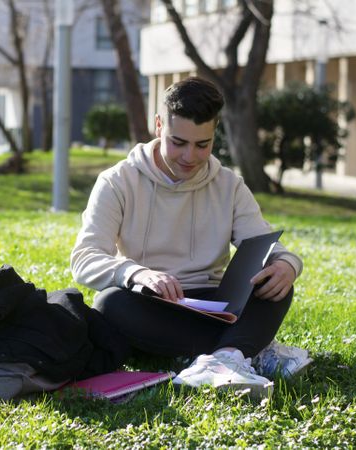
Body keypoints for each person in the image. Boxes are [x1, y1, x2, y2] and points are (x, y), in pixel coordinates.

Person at [70, 77, 310, 399]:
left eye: (203, 144)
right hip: (154, 303)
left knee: (277, 286)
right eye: (178, 142)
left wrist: (289, 264)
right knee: (110, 303)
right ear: (159, 126)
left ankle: (224, 359)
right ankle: (244, 352)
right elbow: (84, 258)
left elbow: (265, 245)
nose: (190, 157)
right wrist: (137, 273)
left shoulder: (229, 185)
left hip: (215, 304)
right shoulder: (117, 181)